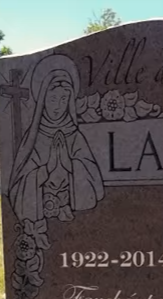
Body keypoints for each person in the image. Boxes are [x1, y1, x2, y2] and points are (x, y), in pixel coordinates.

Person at [9, 55, 104, 223]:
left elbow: (96, 184)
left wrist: (70, 165)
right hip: (43, 211)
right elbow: (19, 186)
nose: (58, 106)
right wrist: (47, 169)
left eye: (63, 99)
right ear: (42, 99)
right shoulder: (33, 138)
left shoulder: (75, 136)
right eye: (52, 99)